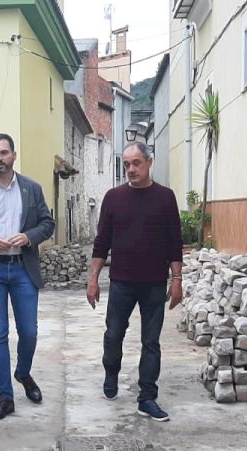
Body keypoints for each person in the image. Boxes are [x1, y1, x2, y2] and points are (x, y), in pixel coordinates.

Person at [86, 141, 183, 422]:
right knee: (113, 334)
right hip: (121, 282)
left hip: (154, 283)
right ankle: (111, 372)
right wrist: (93, 279)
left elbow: (174, 242)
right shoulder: (114, 198)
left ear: (149, 162)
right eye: (126, 164)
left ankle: (147, 397)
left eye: (136, 163)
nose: (130, 169)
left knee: (151, 342)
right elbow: (101, 242)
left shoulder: (165, 197)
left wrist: (177, 279)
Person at [0, 133, 55, 421]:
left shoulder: (31, 188)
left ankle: (23, 373)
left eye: (4, 153)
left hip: (23, 268)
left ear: (14, 155)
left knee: (29, 331)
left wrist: (28, 237)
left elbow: (47, 223)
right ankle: (6, 397)